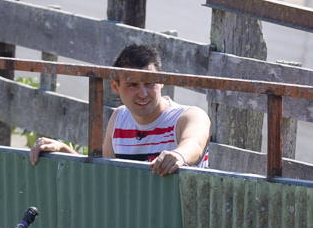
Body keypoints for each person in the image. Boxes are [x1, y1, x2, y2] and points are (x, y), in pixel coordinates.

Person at [28, 43, 211, 176]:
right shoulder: (119, 118)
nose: (143, 93)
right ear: (115, 87)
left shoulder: (189, 116)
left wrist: (178, 155)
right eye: (132, 84)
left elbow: (194, 144)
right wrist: (62, 149)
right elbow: (106, 175)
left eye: (149, 83)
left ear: (162, 80)